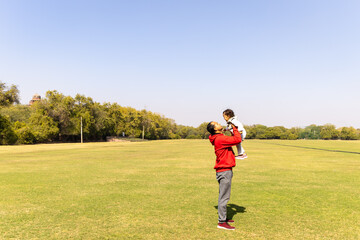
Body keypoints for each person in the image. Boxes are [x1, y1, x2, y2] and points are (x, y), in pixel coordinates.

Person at [207, 121, 242, 230]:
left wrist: (230, 130)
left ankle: (224, 217)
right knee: (224, 197)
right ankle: (221, 222)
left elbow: (232, 139)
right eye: (216, 124)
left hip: (223, 170)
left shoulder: (218, 137)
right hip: (224, 170)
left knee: (223, 195)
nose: (218, 123)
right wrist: (234, 129)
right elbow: (237, 140)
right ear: (215, 129)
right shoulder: (220, 139)